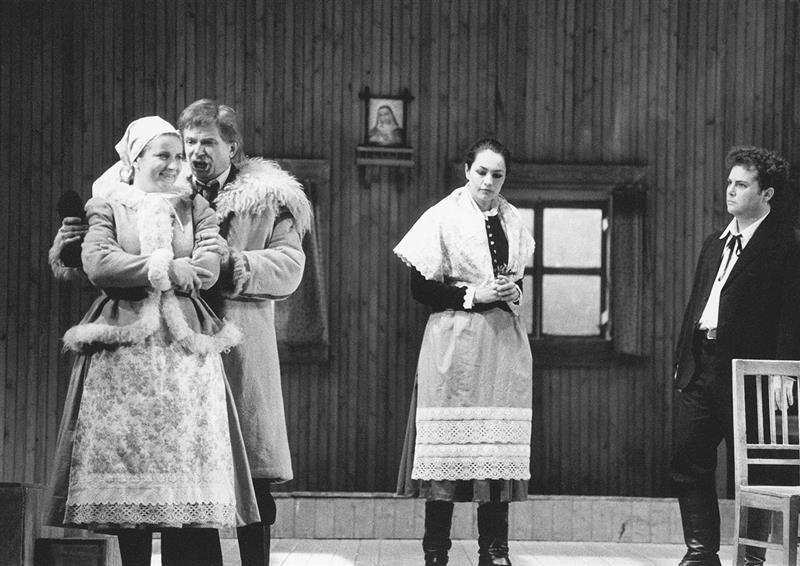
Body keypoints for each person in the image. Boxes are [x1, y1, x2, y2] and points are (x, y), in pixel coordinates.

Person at [43, 116, 260, 566]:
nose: (175, 164)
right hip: (125, 351)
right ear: (135, 159)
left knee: (186, 473)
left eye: (179, 156)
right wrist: (162, 268)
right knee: (129, 476)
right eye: (163, 155)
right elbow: (100, 263)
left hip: (184, 353)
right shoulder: (107, 205)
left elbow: (209, 265)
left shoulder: (194, 206)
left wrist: (183, 270)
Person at [157, 99, 312, 566]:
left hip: (241, 346)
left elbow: (290, 266)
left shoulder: (267, 199)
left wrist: (234, 264)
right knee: (186, 475)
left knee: (252, 476)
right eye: (189, 142)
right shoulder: (165, 195)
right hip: (183, 346)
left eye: (208, 142)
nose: (196, 152)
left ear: (233, 146)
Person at [393, 138, 535, 566]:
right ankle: (436, 553)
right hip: (454, 341)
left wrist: (511, 290)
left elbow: (516, 278)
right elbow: (421, 288)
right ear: (466, 171)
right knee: (447, 456)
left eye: (497, 175)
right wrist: (474, 294)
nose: (489, 182)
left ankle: (495, 551)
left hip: (502, 344)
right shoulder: (442, 217)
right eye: (481, 172)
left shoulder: (512, 219)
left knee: (495, 452)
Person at [671, 146, 800, 566]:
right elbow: (697, 305)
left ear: (767, 194)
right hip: (701, 366)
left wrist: (782, 372)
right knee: (687, 459)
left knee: (755, 474)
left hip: (750, 374)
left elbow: (792, 312)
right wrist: (682, 360)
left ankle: (752, 559)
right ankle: (701, 553)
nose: (730, 190)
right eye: (730, 182)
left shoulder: (787, 243)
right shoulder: (715, 242)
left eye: (741, 184)